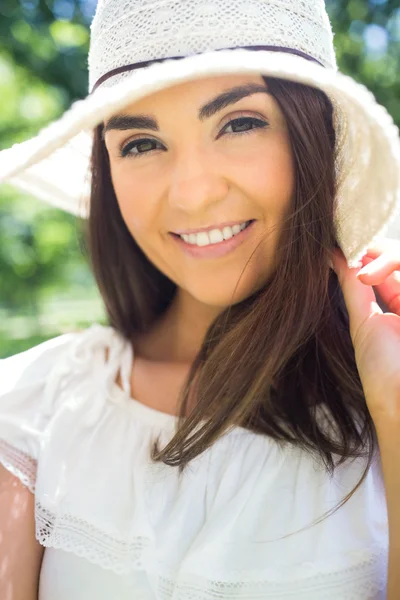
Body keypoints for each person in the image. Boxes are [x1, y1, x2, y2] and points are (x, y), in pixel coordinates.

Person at [0, 0, 400, 599]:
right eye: (139, 142)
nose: (191, 194)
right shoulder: (35, 406)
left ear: (312, 135)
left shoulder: (382, 405)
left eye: (239, 123)